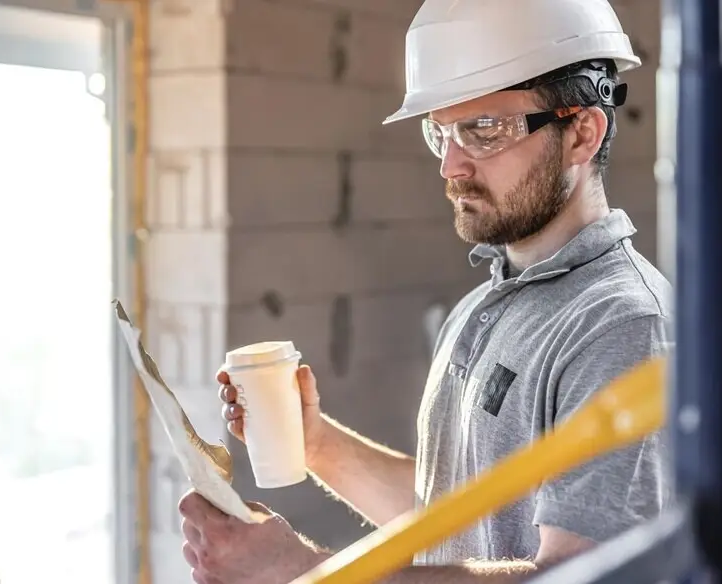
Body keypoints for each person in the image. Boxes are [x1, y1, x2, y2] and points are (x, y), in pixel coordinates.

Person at [178, 0, 674, 582]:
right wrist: (318, 444)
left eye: (484, 130)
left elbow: (583, 576)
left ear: (582, 132)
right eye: (440, 134)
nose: (452, 166)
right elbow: (455, 523)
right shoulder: (477, 311)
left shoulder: (622, 325)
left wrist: (303, 570)